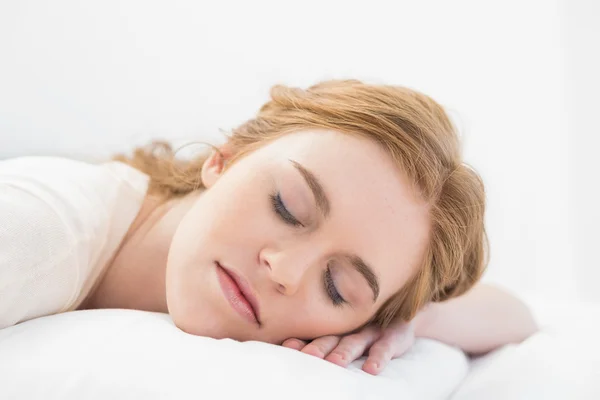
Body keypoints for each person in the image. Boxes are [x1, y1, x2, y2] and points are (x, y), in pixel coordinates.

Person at [0, 79, 537, 375]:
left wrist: (409, 318)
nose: (286, 270)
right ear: (224, 158)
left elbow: (516, 316)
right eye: (286, 207)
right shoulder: (37, 227)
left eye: (338, 287)